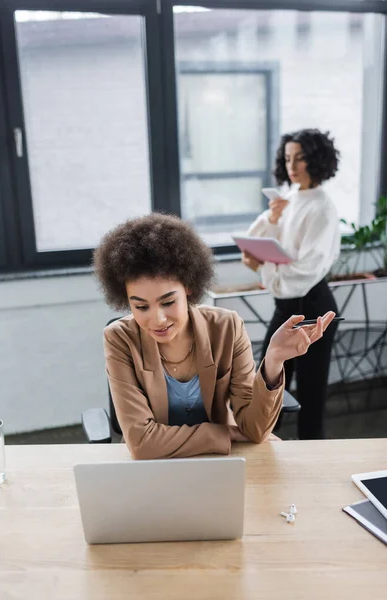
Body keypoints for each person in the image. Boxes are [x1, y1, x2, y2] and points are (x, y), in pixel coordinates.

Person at [94, 213, 335, 460]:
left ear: (188, 287)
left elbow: (254, 431)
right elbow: (142, 444)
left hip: (220, 462)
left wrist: (273, 360)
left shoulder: (227, 328)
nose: (158, 319)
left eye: (168, 302)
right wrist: (224, 434)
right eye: (141, 307)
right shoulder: (119, 339)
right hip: (155, 467)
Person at [242, 128, 341, 440]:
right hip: (286, 306)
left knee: (310, 397)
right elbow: (252, 242)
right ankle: (265, 451)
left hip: (313, 307)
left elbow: (304, 272)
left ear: (317, 160)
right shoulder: (289, 200)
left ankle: (311, 471)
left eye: (300, 158)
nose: (292, 165)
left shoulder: (322, 207)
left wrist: (264, 267)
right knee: (267, 385)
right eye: (287, 158)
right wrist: (272, 220)